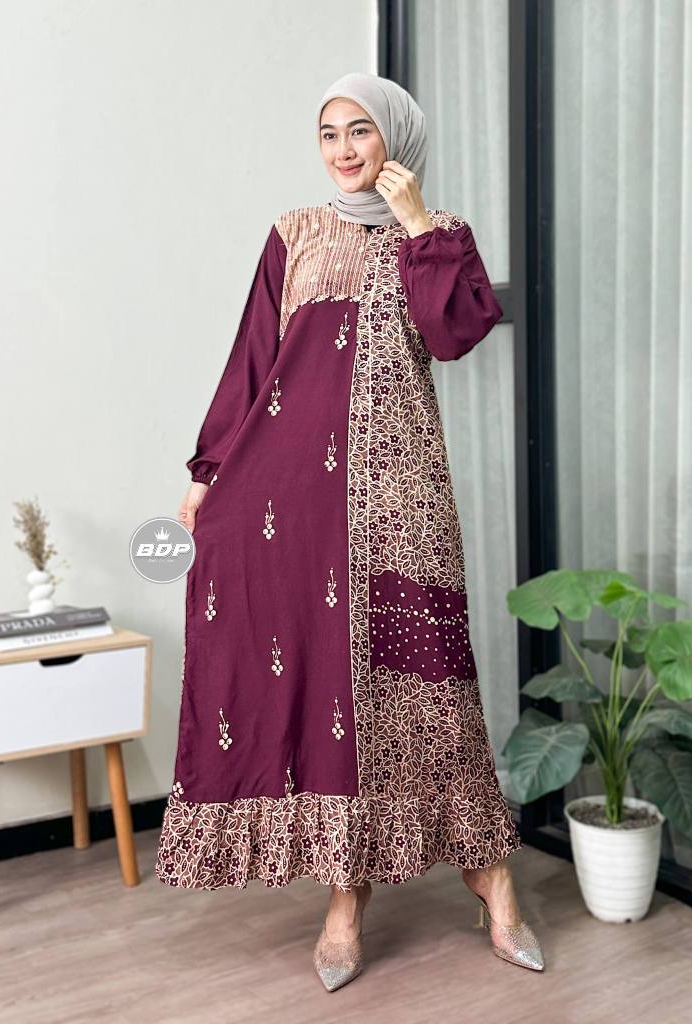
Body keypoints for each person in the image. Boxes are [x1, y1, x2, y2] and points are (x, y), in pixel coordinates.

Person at [155, 71, 545, 991]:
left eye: (360, 131)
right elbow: (254, 359)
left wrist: (417, 225)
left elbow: (455, 335)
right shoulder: (294, 233)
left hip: (400, 497)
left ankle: (493, 880)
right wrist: (209, 474)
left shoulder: (439, 238)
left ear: (395, 139)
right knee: (328, 684)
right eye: (328, 132)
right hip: (293, 501)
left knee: (431, 688)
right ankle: (345, 898)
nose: (342, 150)